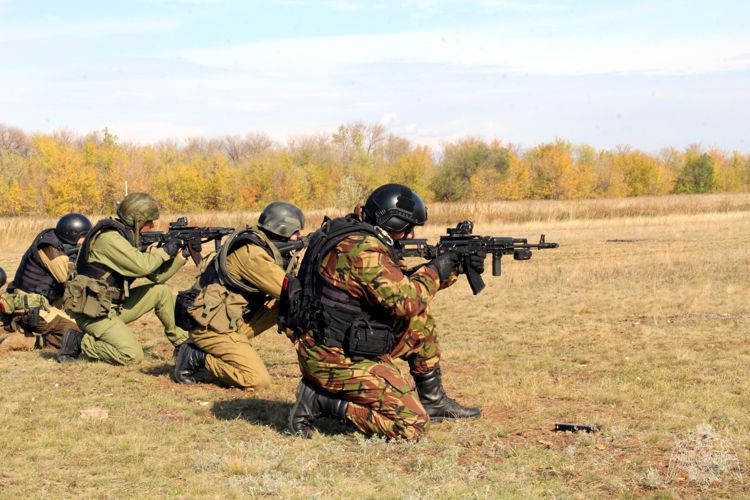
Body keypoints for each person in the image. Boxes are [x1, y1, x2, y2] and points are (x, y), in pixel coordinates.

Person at [287, 183, 486, 441]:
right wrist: (436, 270)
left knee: (419, 322)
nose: (412, 235)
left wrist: (452, 269)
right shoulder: (362, 249)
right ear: (390, 222)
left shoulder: (357, 233)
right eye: (407, 228)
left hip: (340, 341)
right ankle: (319, 401)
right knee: (412, 426)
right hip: (334, 358)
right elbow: (405, 300)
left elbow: (399, 284)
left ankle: (434, 401)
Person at [173, 202, 305, 389]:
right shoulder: (252, 255)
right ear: (282, 229)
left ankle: (216, 348)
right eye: (296, 231)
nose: (299, 236)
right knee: (257, 380)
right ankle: (197, 356)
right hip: (210, 327)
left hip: (227, 320)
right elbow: (291, 291)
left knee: (282, 304)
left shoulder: (258, 244)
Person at [57, 192, 189, 364]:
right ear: (137, 220)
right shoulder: (109, 238)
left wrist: (181, 257)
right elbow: (142, 265)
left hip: (113, 307)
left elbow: (157, 277)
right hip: (94, 313)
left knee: (161, 292)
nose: (152, 225)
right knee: (132, 355)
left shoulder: (125, 238)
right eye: (149, 221)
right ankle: (81, 342)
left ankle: (182, 345)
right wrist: (165, 251)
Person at [1, 213, 91, 351]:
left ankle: (23, 329)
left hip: (34, 305)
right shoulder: (50, 248)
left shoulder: (53, 241)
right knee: (81, 334)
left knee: (84, 328)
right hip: (34, 310)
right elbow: (68, 279)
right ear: (73, 235)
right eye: (84, 236)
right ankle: (29, 340)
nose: (85, 241)